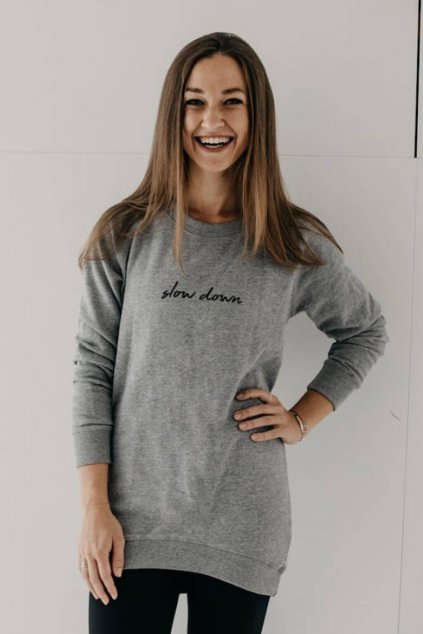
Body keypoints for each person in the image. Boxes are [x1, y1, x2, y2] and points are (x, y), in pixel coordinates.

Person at [71, 32, 389, 634]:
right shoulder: (126, 233)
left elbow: (365, 330)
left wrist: (301, 418)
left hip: (242, 525)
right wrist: (93, 508)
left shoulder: (290, 244)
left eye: (231, 101)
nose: (211, 120)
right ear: (173, 114)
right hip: (130, 525)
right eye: (194, 101)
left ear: (255, 114)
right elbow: (92, 368)